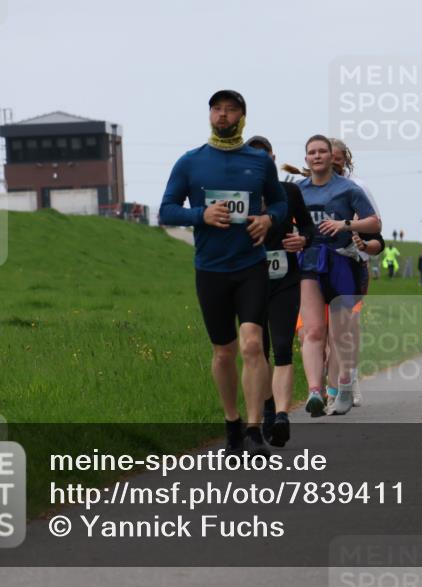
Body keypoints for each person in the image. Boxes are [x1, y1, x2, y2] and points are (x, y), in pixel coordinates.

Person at [158, 90, 286, 456]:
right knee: (224, 352)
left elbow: (278, 201)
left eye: (231, 110)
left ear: (243, 117)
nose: (223, 116)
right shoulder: (190, 162)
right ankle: (231, 423)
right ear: (210, 115)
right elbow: (166, 210)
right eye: (217, 109)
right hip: (210, 269)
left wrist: (268, 218)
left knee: (250, 343)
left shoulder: (260, 162)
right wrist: (201, 215)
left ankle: (253, 429)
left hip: (251, 266)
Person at [296, 135, 380, 417]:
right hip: (309, 262)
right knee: (314, 330)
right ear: (306, 158)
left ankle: (344, 384)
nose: (317, 156)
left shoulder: (348, 189)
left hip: (342, 263)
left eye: (322, 151)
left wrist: (345, 224)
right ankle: (314, 392)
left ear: (331, 156)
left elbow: (374, 223)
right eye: (312, 152)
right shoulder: (298, 190)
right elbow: (287, 223)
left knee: (340, 333)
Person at [245, 136, 315, 448]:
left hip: (285, 278)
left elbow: (310, 230)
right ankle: (269, 408)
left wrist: (302, 241)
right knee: (257, 351)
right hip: (248, 282)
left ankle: (283, 415)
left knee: (283, 346)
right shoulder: (238, 197)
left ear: (273, 159)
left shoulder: (289, 192)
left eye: (265, 158)